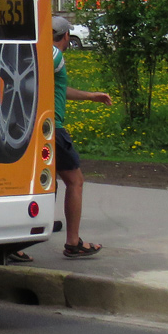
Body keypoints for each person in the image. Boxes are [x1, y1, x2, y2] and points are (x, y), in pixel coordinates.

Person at [52, 15, 112, 259]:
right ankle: (73, 242)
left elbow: (59, 88)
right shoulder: (54, 54)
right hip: (52, 128)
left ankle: (22, 241)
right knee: (75, 181)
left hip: (32, 127)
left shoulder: (41, 54)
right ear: (66, 36)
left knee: (45, 182)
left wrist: (91, 96)